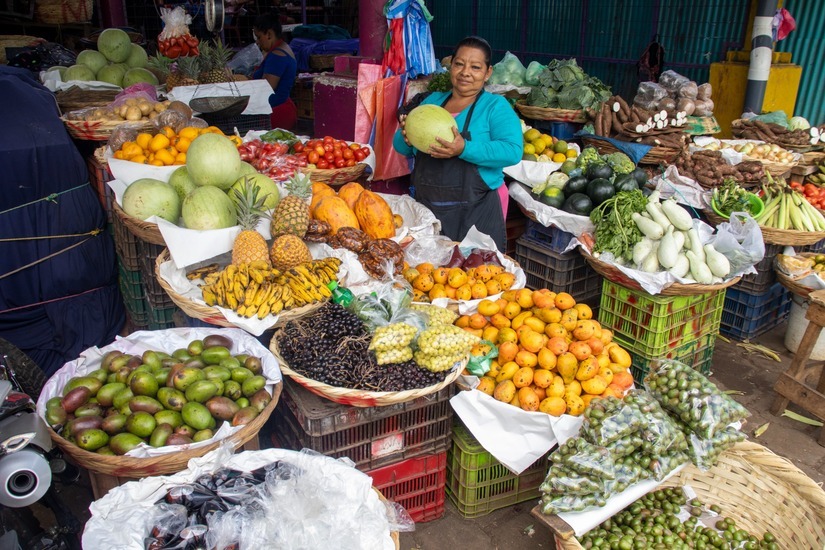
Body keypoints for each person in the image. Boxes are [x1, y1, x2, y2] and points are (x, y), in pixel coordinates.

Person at [393, 36, 522, 252]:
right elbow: (401, 146)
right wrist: (405, 138)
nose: (465, 73)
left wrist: (464, 149)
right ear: (450, 66)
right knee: (429, 275)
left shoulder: (495, 106)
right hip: (429, 209)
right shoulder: (431, 101)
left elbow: (512, 151)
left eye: (475, 67)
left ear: (487, 73)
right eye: (459, 64)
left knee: (477, 277)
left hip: (478, 209)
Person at [252, 13, 298, 131]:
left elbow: (266, 87)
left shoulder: (277, 55)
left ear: (269, 34)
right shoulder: (283, 48)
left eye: (258, 37)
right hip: (280, 109)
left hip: (276, 114)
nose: (257, 42)